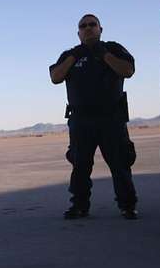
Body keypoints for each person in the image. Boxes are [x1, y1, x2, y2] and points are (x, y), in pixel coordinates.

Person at [49, 13, 138, 220]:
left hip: (111, 119)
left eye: (92, 24)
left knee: (120, 163)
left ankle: (128, 205)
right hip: (81, 121)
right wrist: (75, 56)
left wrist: (103, 54)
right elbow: (55, 77)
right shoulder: (71, 55)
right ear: (78, 32)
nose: (88, 28)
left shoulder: (114, 49)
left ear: (100, 29)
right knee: (80, 165)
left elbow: (128, 70)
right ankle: (79, 205)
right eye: (83, 26)